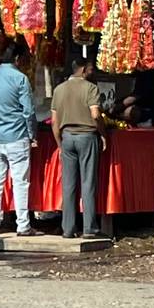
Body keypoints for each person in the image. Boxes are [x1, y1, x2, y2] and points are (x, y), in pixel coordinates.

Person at [0, 42, 43, 237]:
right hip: (17, 138)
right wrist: (33, 135)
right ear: (17, 59)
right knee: (20, 182)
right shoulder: (20, 79)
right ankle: (23, 225)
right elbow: (29, 112)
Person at [51, 58, 108, 239]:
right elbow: (96, 114)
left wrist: (59, 143)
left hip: (67, 137)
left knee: (68, 185)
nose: (93, 72)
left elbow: (54, 121)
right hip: (87, 137)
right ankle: (89, 228)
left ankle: (68, 228)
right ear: (83, 70)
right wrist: (103, 133)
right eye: (91, 69)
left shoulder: (58, 89)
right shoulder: (90, 88)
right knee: (88, 183)